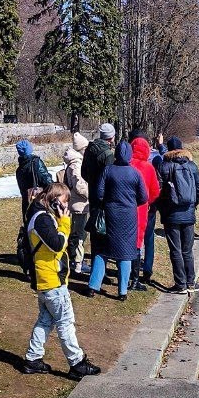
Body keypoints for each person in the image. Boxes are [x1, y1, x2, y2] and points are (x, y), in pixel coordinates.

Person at [22, 183, 101, 379]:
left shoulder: (39, 214)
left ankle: (33, 359)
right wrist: (65, 222)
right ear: (54, 201)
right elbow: (57, 245)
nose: (66, 206)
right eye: (65, 202)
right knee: (65, 322)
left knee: (45, 320)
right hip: (52, 281)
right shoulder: (42, 220)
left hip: (46, 278)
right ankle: (77, 363)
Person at [91, 140, 149, 300]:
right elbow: (144, 197)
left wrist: (109, 201)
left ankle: (93, 286)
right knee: (126, 253)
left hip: (110, 214)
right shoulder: (135, 173)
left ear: (116, 153)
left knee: (102, 250)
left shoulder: (107, 170)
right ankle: (122, 291)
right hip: (129, 216)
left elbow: (99, 193)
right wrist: (130, 203)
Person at [156, 136, 199, 293]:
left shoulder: (163, 166)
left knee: (175, 250)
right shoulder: (192, 166)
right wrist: (192, 204)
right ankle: (191, 282)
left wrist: (162, 207)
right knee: (187, 250)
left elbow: (157, 190)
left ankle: (180, 284)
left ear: (169, 149)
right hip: (188, 213)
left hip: (171, 214)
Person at [81, 123, 116, 278]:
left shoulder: (89, 149)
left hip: (92, 194)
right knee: (104, 235)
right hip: (104, 198)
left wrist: (93, 182)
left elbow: (83, 172)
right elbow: (109, 177)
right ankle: (99, 274)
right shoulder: (107, 154)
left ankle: (97, 271)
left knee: (96, 235)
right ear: (111, 137)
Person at [129, 135, 161, 290]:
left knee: (129, 240)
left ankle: (128, 271)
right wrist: (148, 202)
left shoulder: (127, 165)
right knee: (146, 240)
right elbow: (155, 191)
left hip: (125, 209)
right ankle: (146, 270)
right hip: (143, 209)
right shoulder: (148, 167)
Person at [57, 136, 89, 273]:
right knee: (79, 235)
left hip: (76, 203)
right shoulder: (77, 164)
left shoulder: (74, 162)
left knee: (76, 233)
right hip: (79, 205)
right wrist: (91, 194)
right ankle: (78, 263)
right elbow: (79, 186)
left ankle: (75, 259)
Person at [14, 140, 53, 222]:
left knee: (30, 222)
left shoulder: (19, 169)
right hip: (39, 198)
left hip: (27, 201)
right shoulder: (36, 162)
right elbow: (46, 179)